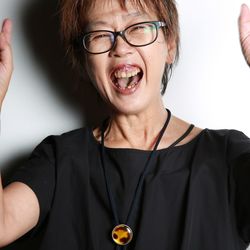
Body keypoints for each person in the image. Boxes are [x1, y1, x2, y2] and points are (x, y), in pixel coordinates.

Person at [0, 0, 250, 249]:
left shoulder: (228, 156)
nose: (120, 48)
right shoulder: (59, 159)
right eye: (100, 34)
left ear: (170, 44)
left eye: (138, 27)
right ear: (84, 61)